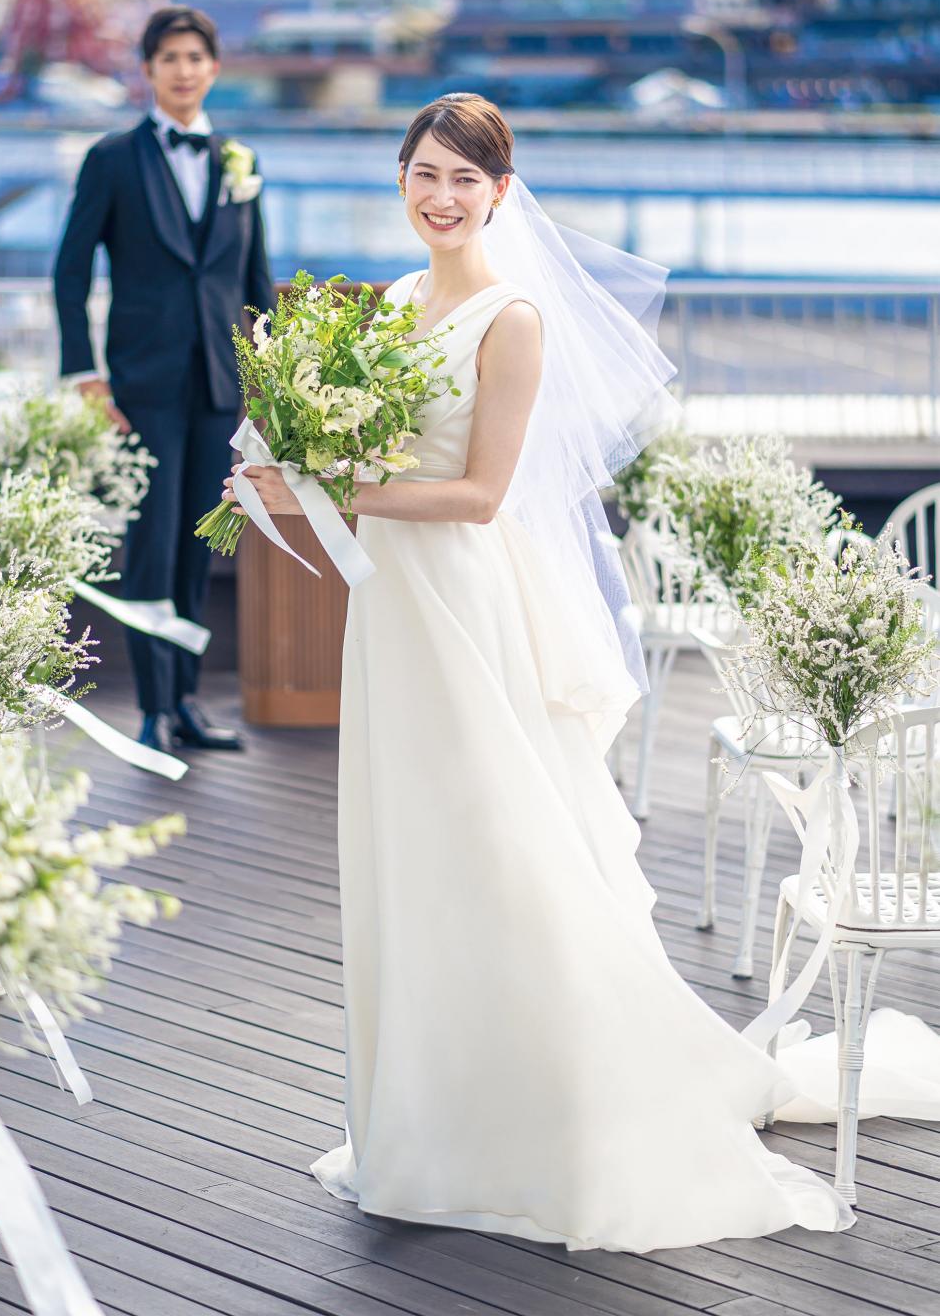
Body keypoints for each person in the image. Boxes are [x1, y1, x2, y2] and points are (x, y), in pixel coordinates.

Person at [225, 92, 854, 1253]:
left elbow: (475, 496)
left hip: (464, 606)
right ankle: (429, 1113)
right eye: (423, 173)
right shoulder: (397, 302)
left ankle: (540, 1113)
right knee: (410, 845)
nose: (442, 197)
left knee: (498, 840)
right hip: (392, 612)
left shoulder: (512, 318)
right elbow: (360, 457)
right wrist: (292, 469)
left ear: (500, 194)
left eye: (465, 179)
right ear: (400, 181)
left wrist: (320, 491)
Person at [53, 6, 274, 756]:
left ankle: (185, 702)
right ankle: (149, 709)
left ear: (214, 69)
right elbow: (70, 270)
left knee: (198, 547)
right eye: (170, 57)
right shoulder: (112, 159)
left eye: (196, 57)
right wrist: (84, 372)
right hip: (140, 387)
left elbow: (256, 281)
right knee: (149, 544)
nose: (184, 69)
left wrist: (269, 383)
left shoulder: (240, 160)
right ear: (147, 70)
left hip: (218, 385)